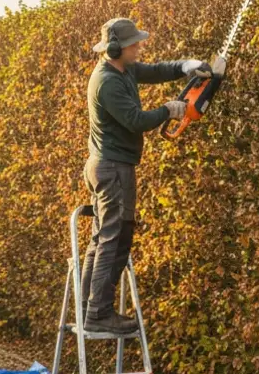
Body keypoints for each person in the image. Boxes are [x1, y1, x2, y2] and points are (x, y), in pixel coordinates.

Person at [81, 17, 221, 334]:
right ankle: (99, 313)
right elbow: (135, 120)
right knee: (114, 240)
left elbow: (154, 71)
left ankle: (89, 308)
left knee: (104, 238)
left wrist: (185, 66)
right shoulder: (107, 81)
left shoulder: (124, 69)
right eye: (134, 44)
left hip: (109, 165)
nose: (139, 48)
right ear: (116, 48)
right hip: (113, 168)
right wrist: (169, 110)